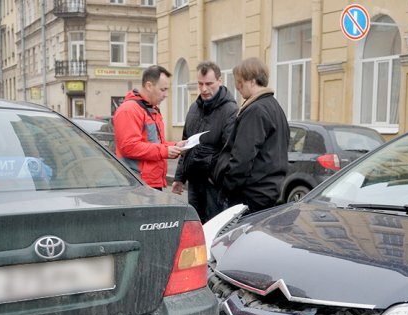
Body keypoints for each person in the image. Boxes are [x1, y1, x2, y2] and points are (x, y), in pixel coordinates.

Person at [211, 57, 289, 213]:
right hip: (269, 192)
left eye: (240, 82)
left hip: (250, 196)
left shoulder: (255, 110)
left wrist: (228, 187)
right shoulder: (275, 107)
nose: (237, 87)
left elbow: (242, 157)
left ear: (252, 81)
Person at [172, 61, 238, 222]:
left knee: (213, 229)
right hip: (194, 183)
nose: (204, 89)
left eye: (209, 84)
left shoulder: (230, 110)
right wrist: (179, 177)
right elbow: (186, 144)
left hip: (213, 186)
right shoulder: (194, 108)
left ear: (219, 81)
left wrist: (215, 177)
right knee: (196, 229)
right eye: (200, 84)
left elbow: (230, 150)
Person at [113, 65, 184, 190]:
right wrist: (165, 151)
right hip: (137, 184)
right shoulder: (129, 109)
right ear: (149, 86)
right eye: (163, 89)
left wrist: (175, 146)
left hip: (150, 182)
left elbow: (154, 143)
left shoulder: (151, 109)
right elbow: (129, 147)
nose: (166, 94)